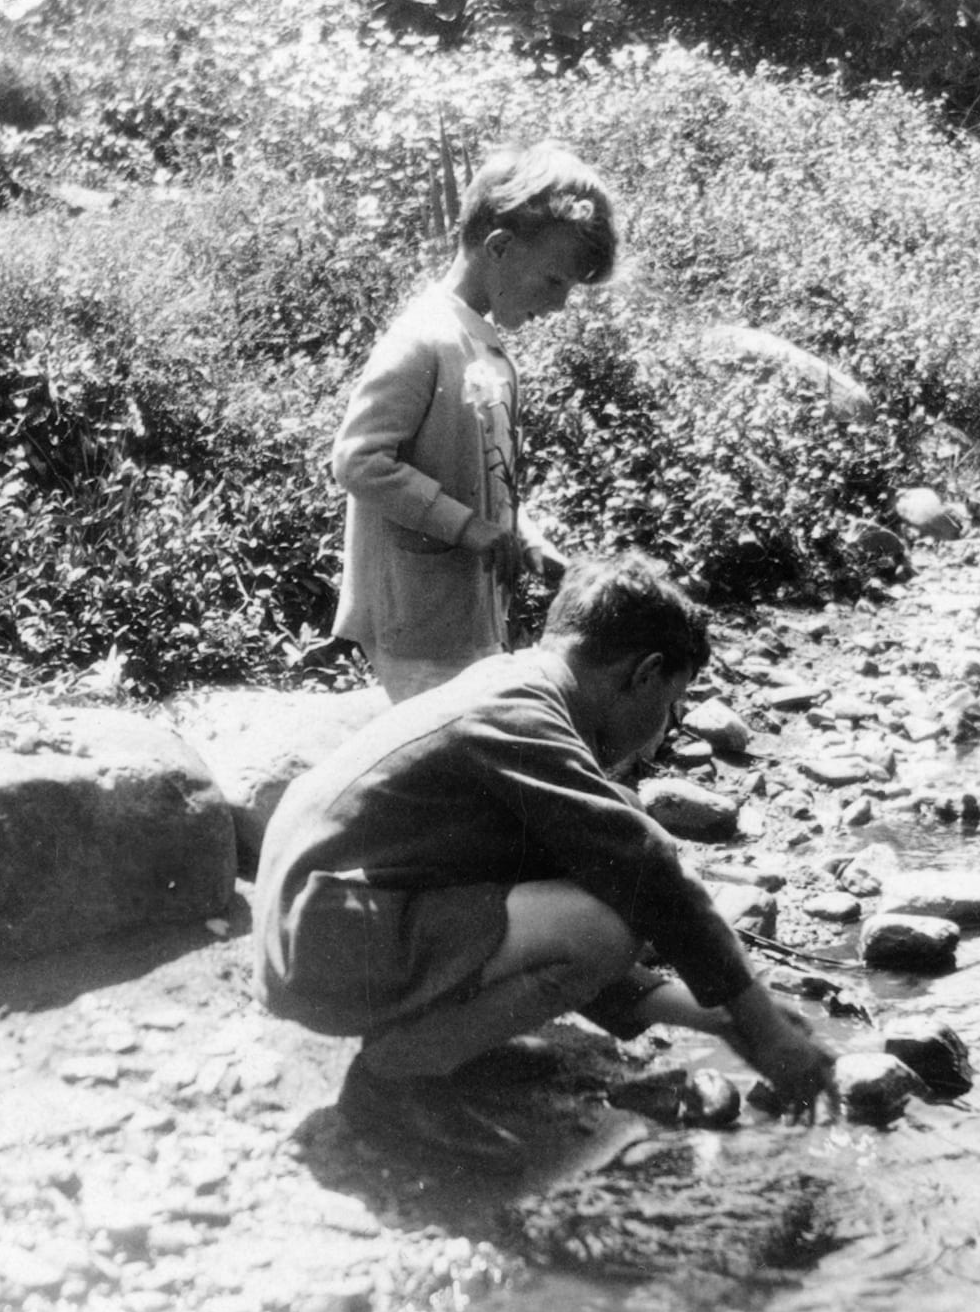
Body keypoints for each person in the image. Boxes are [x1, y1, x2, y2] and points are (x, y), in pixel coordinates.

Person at [256, 556, 838, 1163]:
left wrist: (721, 1019)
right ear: (645, 674)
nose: (665, 730)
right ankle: (395, 1077)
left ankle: (441, 1041)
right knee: (604, 925)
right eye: (672, 706)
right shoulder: (520, 716)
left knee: (588, 878)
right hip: (321, 941)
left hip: (325, 926)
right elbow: (648, 871)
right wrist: (766, 1029)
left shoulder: (515, 686)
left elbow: (545, 896)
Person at [330, 141, 615, 705]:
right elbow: (358, 461)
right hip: (415, 613)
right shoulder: (423, 340)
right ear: (500, 247)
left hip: (467, 613)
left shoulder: (485, 348)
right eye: (555, 281)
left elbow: (487, 474)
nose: (559, 306)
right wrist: (471, 529)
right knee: (447, 756)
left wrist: (528, 542)